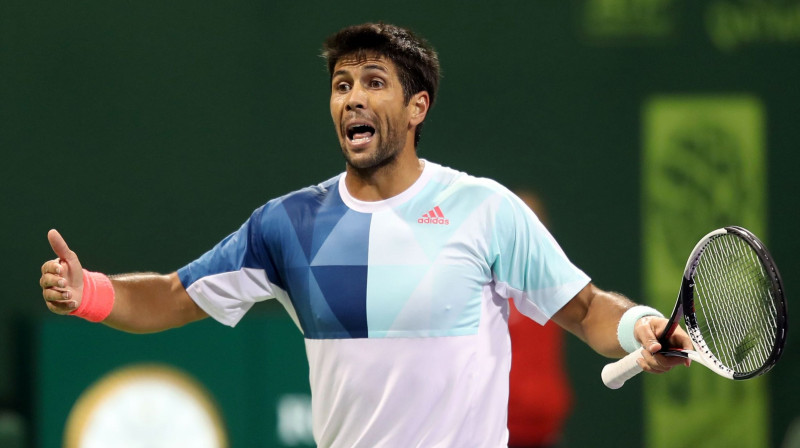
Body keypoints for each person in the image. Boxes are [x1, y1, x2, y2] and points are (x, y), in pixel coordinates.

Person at [39, 23, 691, 448]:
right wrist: (88, 292)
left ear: (417, 108)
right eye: (341, 84)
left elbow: (582, 309)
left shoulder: (484, 209)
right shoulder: (287, 225)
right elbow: (173, 296)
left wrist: (638, 323)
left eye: (374, 83)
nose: (352, 98)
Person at [507, 190, 572, 448]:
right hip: (497, 430)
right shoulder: (486, 289)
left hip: (545, 430)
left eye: (536, 222)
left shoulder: (556, 287)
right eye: (522, 222)